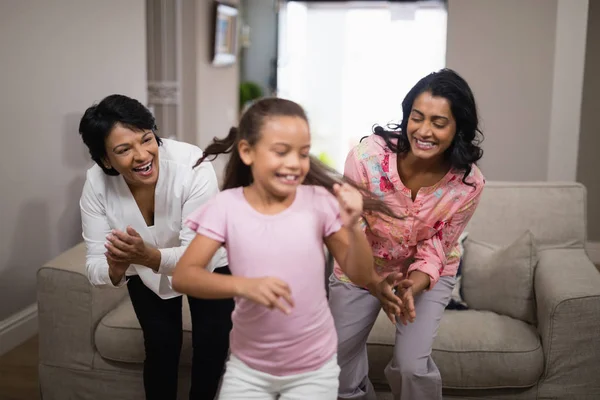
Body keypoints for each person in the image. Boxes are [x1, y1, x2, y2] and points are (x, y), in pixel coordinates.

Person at [171, 97, 404, 400]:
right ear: (247, 152)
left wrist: (352, 225)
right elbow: (184, 276)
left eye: (303, 153)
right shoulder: (226, 208)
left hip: (314, 369)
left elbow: (359, 274)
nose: (295, 163)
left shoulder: (319, 203)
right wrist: (244, 286)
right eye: (281, 152)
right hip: (248, 369)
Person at [329, 68, 486, 400]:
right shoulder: (367, 159)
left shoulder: (468, 183)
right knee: (336, 371)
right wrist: (375, 282)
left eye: (439, 123)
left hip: (425, 273)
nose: (424, 131)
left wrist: (412, 286)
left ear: (459, 128)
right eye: (417, 118)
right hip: (360, 266)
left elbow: (439, 244)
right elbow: (348, 231)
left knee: (412, 366)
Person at [78, 94, 234, 400]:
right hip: (144, 271)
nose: (142, 155)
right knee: (161, 346)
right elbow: (94, 264)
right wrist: (116, 267)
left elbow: (197, 256)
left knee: (212, 344)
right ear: (106, 160)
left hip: (210, 262)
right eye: (124, 150)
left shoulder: (193, 166)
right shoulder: (96, 185)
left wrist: (146, 255)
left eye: (147, 139)